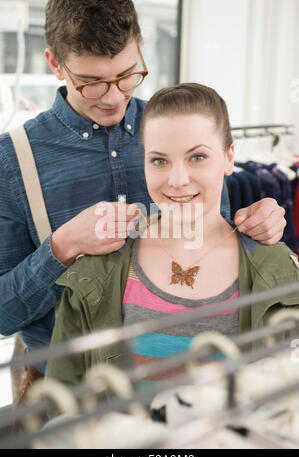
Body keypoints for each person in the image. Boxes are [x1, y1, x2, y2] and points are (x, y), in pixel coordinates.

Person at [0, 0, 286, 381]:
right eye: (92, 82)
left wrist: (258, 224)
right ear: (55, 64)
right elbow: (4, 315)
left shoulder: (177, 128)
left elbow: (213, 242)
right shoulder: (11, 161)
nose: (114, 97)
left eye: (127, 74)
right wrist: (62, 247)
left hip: (192, 382)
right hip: (62, 383)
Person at [45, 83, 299, 387]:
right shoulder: (99, 267)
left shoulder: (279, 270)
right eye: (159, 160)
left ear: (229, 157)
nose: (178, 180)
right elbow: (63, 401)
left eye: (197, 157)